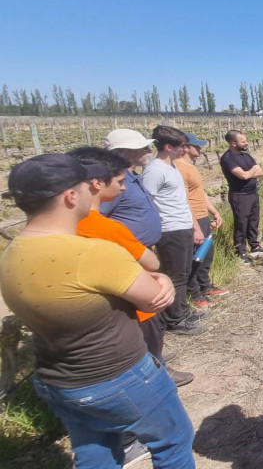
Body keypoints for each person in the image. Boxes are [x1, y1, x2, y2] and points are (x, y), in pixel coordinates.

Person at [0, 154, 195, 468]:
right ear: (71, 196)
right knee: (173, 441)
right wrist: (162, 281)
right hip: (117, 376)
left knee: (95, 453)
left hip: (57, 380)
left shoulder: (11, 254)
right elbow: (153, 299)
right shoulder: (94, 253)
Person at [143, 125, 207, 335]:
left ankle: (183, 312)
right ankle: (174, 320)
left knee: (184, 272)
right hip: (169, 230)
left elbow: (183, 199)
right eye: (182, 146)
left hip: (183, 226)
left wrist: (194, 225)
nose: (185, 149)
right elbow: (148, 203)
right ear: (168, 146)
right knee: (175, 276)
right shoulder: (154, 171)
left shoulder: (172, 167)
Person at [177, 132, 227, 305]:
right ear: (185, 147)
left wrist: (214, 211)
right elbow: (184, 198)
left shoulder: (191, 166)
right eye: (195, 145)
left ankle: (206, 286)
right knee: (194, 258)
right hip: (193, 219)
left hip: (203, 216)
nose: (199, 148)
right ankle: (195, 293)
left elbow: (200, 193)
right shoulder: (178, 168)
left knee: (206, 255)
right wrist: (194, 224)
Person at [220, 129, 263, 262]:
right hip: (240, 195)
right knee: (241, 223)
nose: (246, 143)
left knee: (254, 220)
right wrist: (252, 171)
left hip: (252, 193)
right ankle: (240, 252)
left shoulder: (245, 156)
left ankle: (255, 245)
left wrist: (250, 172)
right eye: (243, 141)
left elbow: (261, 171)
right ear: (233, 143)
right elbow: (243, 175)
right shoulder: (228, 158)